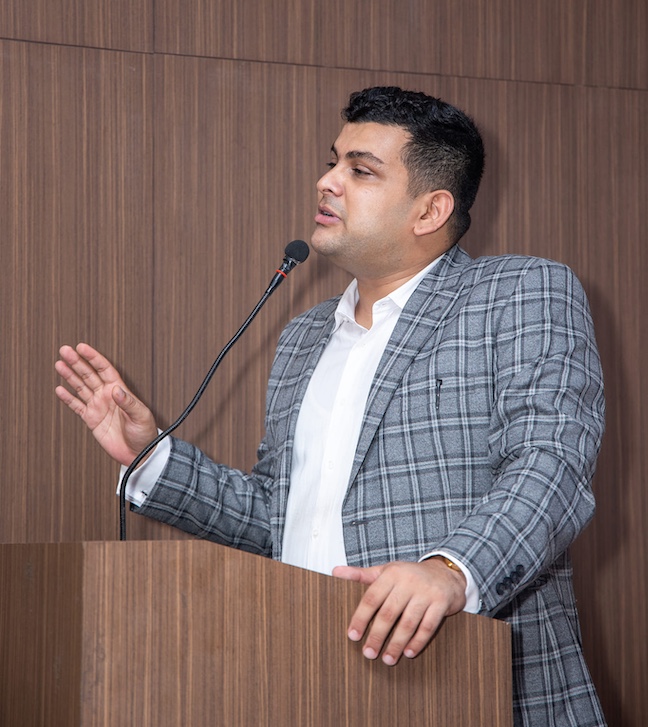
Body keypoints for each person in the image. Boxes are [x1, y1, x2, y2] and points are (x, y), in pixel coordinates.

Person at [55, 86, 607, 726]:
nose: (327, 181)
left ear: (430, 210)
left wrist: (450, 571)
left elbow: (551, 466)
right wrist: (152, 457)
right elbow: (277, 518)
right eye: (332, 161)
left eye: (360, 170)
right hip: (308, 679)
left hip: (465, 680)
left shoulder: (520, 292)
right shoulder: (304, 337)